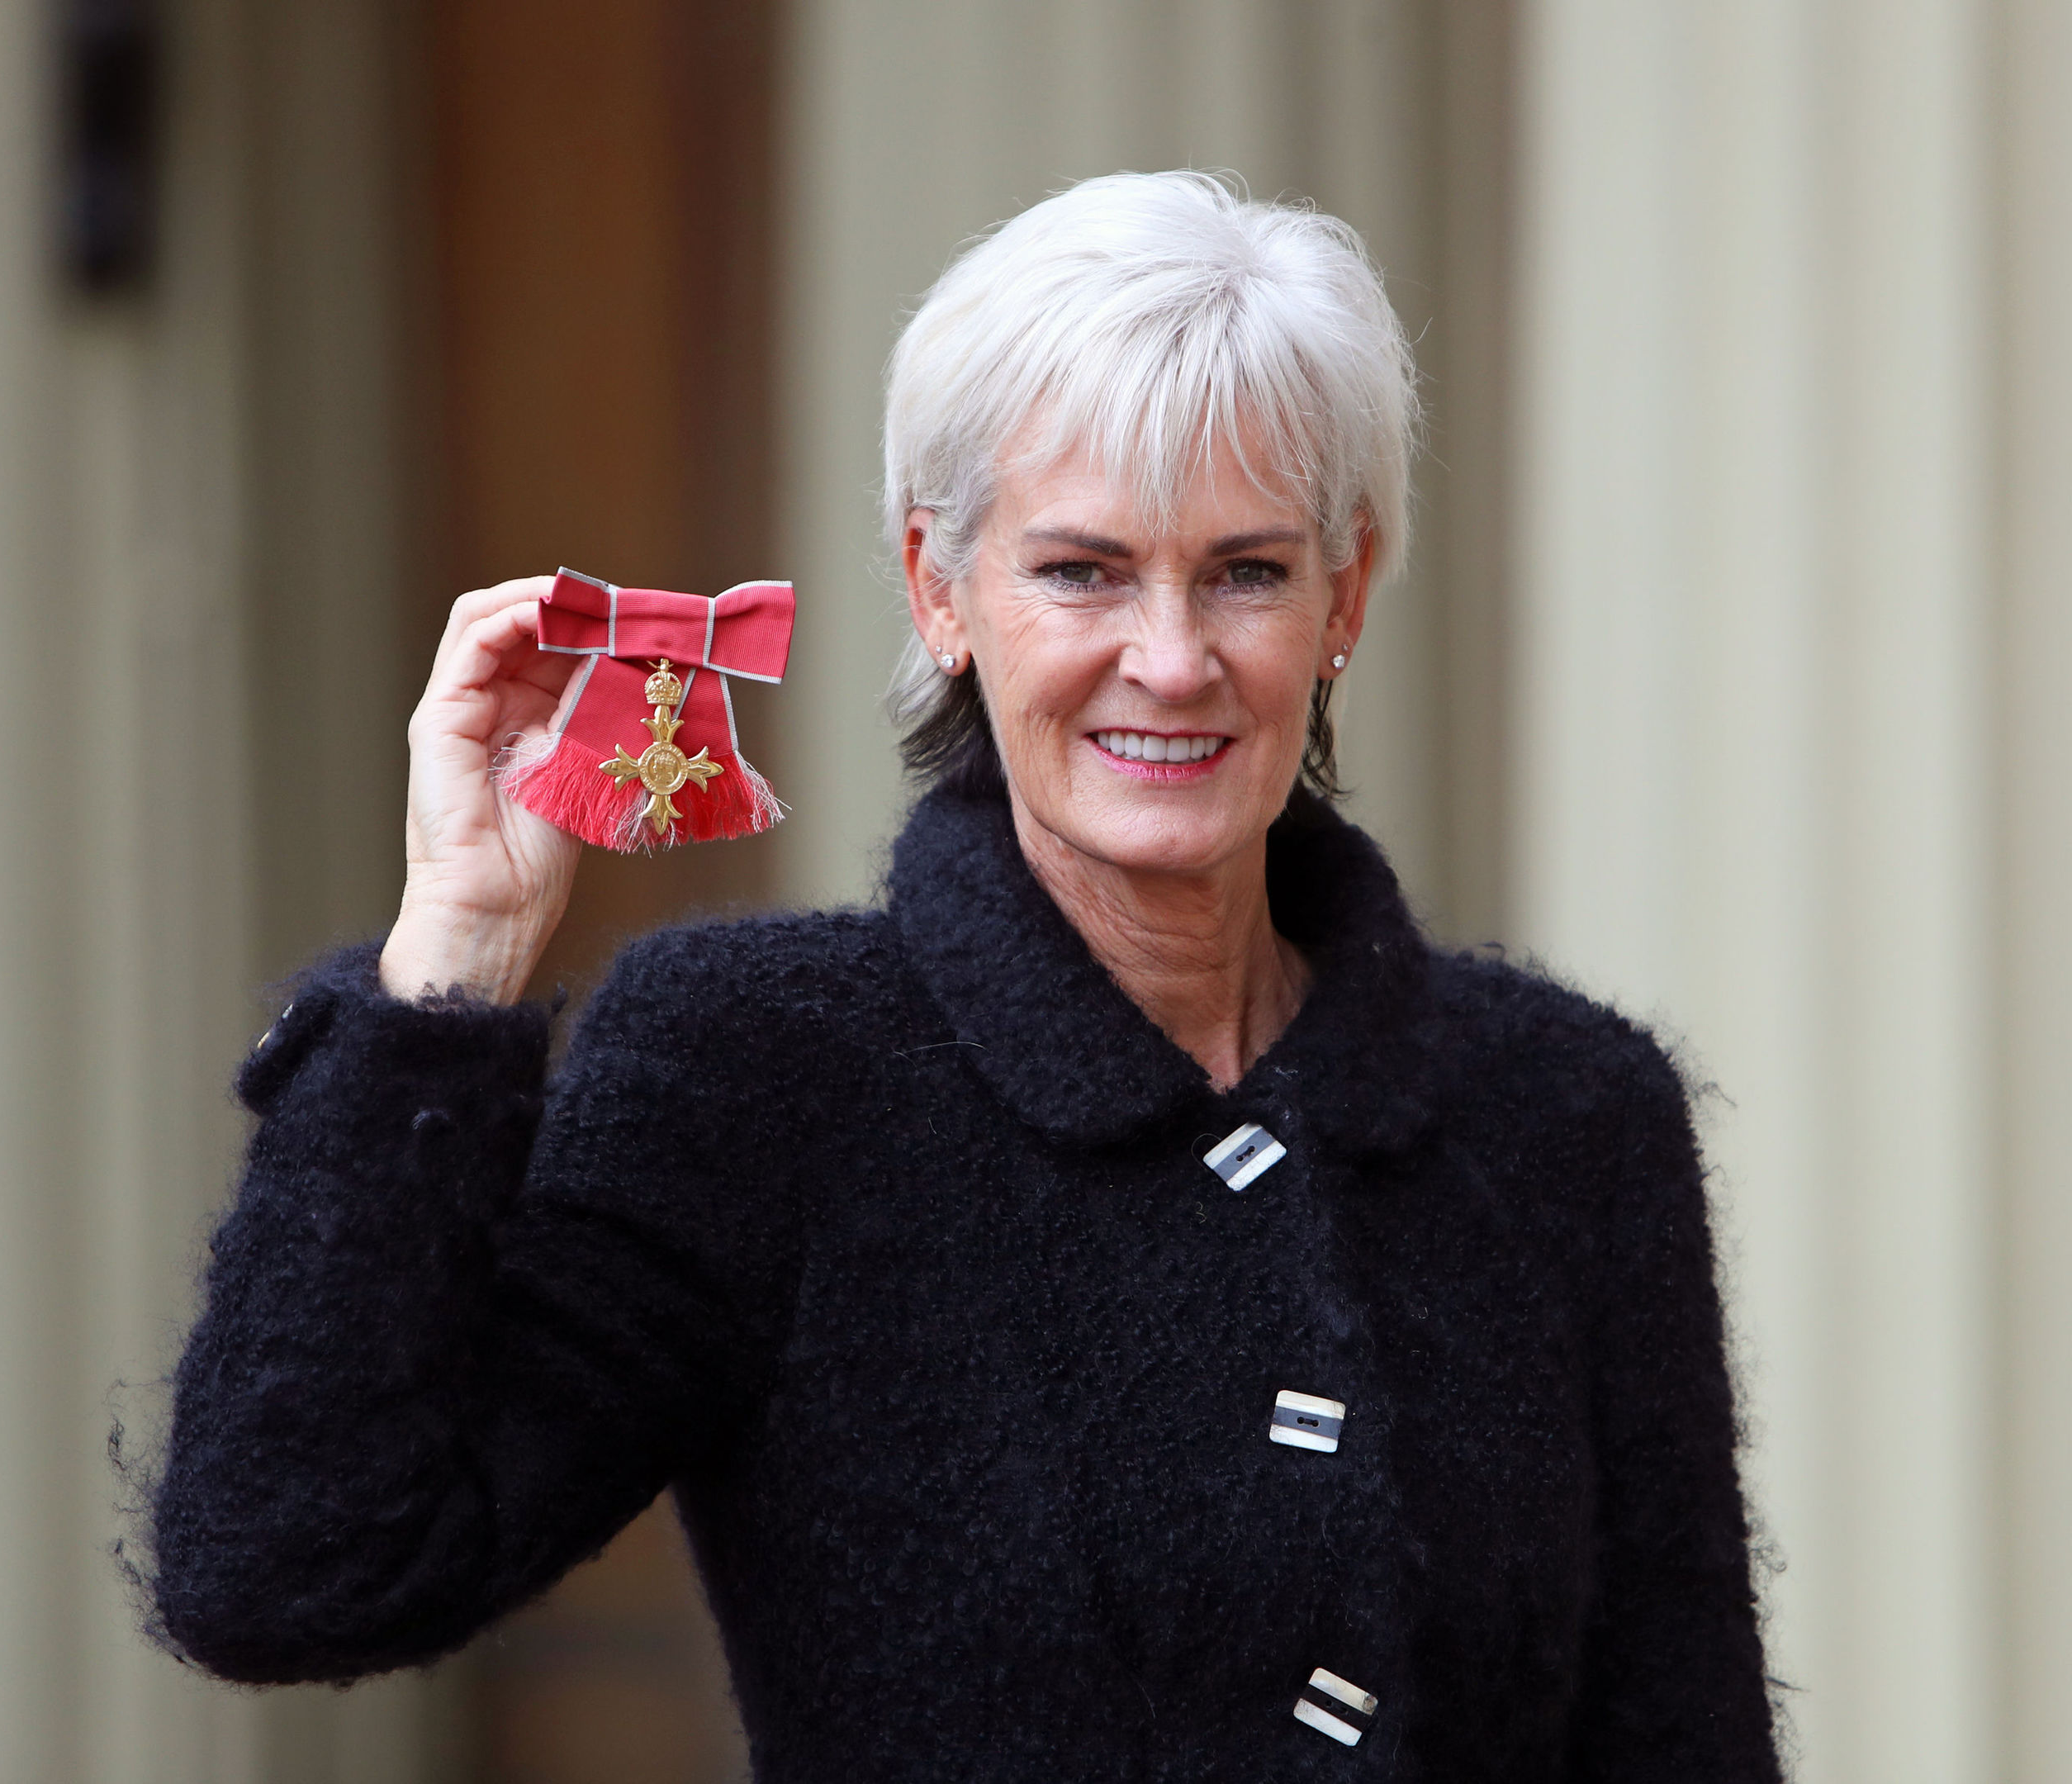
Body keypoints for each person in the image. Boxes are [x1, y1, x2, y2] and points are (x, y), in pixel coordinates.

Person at [152, 170, 1781, 1782]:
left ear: (1343, 593)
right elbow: (289, 1567)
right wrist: (456, 953)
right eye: (1081, 570)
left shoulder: (1569, 1113)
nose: (1169, 657)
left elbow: (1682, 1743)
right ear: (942, 589)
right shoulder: (764, 1070)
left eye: (1247, 572)